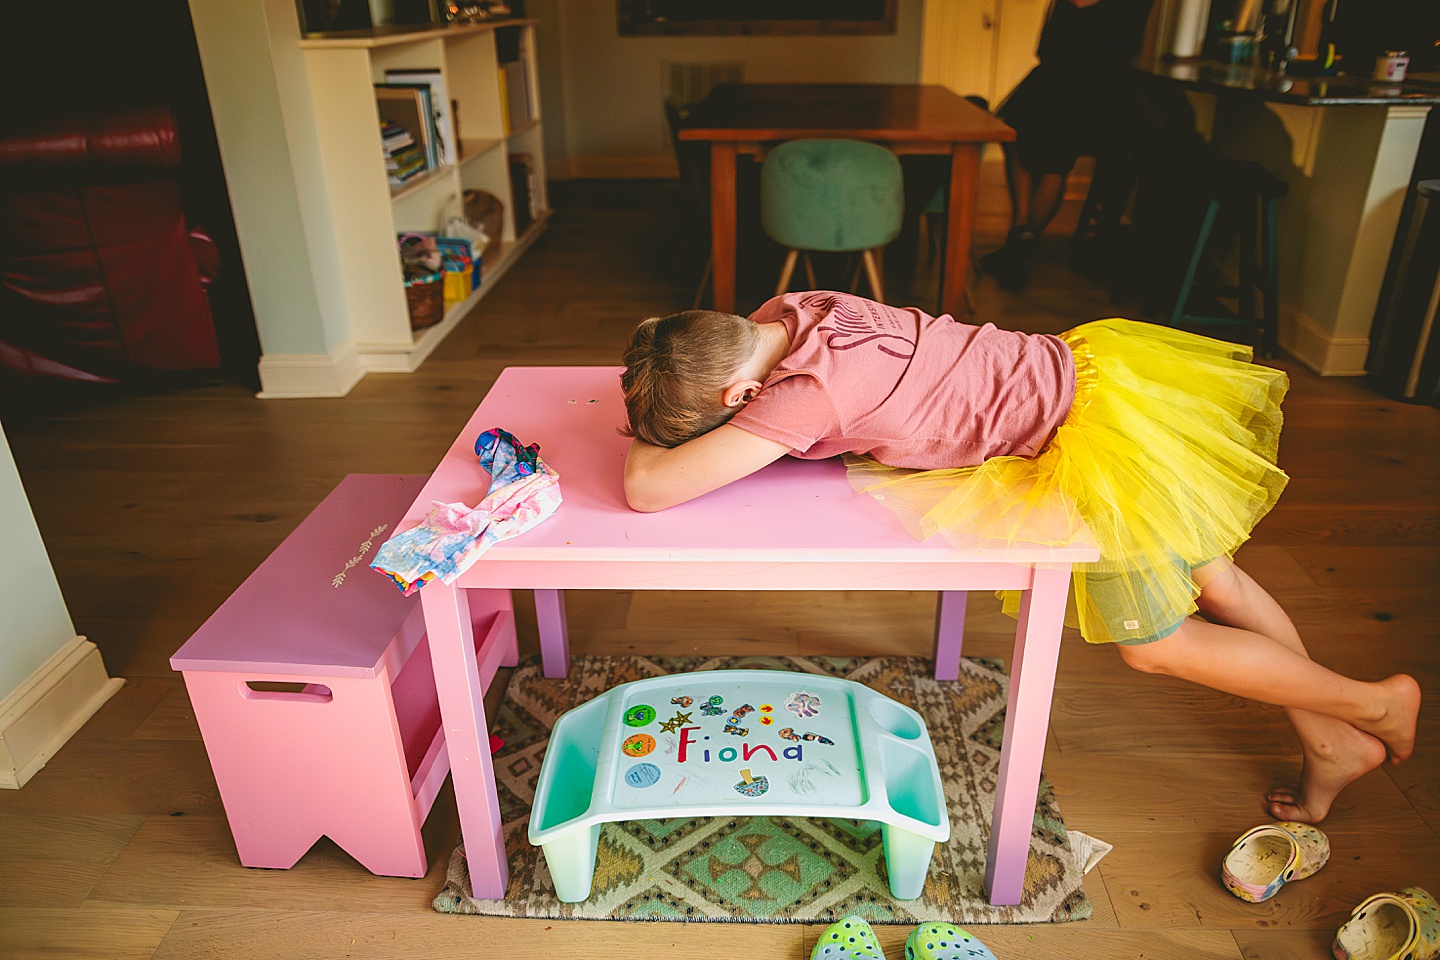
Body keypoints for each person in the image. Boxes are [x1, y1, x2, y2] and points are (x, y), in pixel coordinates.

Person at [620, 291, 1421, 823]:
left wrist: (645, 443)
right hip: (1110, 385)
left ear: (739, 400)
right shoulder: (798, 305)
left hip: (1087, 449)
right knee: (1223, 581)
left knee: (1155, 646)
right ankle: (1333, 741)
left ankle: (1372, 705)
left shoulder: (806, 397)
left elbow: (648, 491)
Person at [980, 0, 1156, 292]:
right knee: (1026, 147)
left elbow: (1046, 47)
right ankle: (1022, 235)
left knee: (1043, 156)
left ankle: (1020, 239)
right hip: (1090, 88)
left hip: (1081, 90)